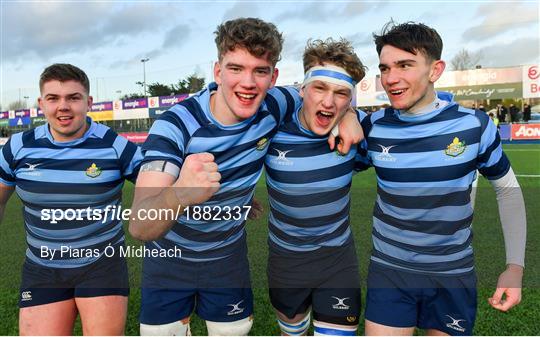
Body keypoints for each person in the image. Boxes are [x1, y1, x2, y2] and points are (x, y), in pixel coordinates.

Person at [128, 18, 362, 336]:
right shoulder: (176, 126)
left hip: (227, 259)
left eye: (260, 71)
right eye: (236, 68)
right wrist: (181, 192)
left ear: (273, 77)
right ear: (218, 71)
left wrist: (348, 115)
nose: (248, 82)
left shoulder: (275, 104)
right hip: (170, 260)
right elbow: (141, 224)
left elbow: (326, 95)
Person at [360, 21, 527, 336]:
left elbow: (508, 192)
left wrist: (514, 268)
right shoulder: (372, 126)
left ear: (435, 70)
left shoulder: (474, 126)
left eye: (404, 65)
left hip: (453, 274)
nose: (390, 79)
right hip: (390, 271)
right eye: (384, 68)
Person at [0, 63, 143, 335]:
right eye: (53, 98)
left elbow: (162, 187)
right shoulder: (18, 147)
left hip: (102, 264)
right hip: (42, 267)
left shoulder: (116, 146)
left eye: (73, 98)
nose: (63, 106)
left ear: (88, 102)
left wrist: (227, 198)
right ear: (42, 104)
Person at [264, 38, 368, 336]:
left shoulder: (357, 133)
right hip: (286, 261)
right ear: (303, 90)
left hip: (337, 259)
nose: (328, 102)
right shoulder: (273, 130)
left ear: (350, 100)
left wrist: (351, 117)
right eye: (320, 88)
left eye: (341, 94)